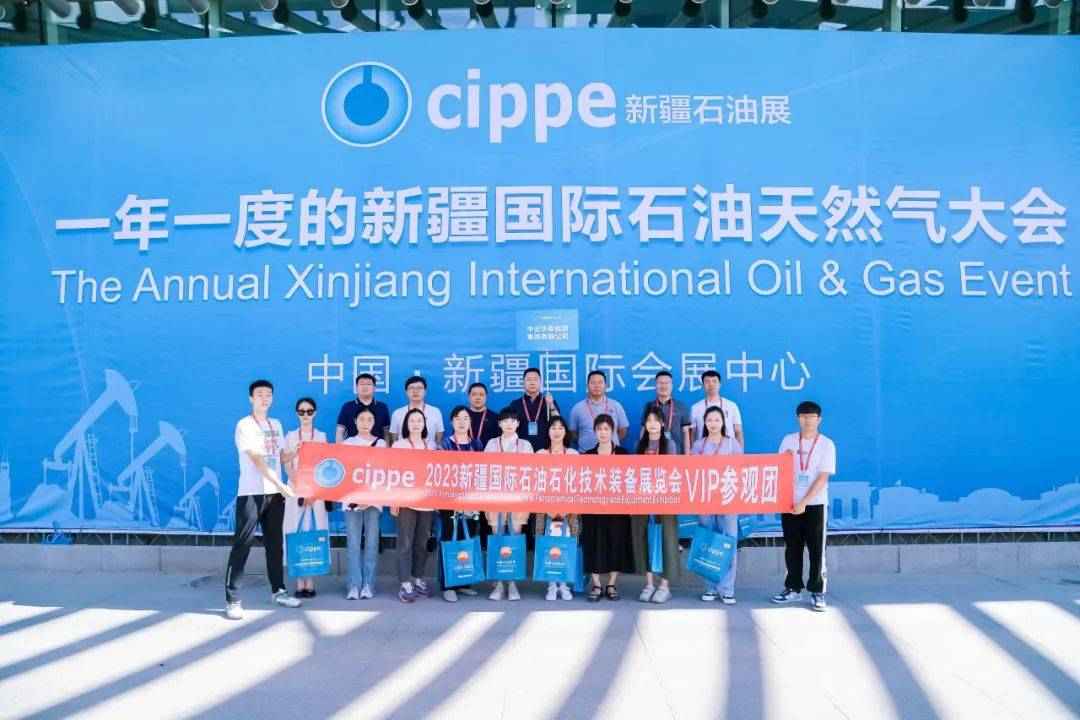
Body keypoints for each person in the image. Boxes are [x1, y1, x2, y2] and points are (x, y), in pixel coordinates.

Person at [224, 380, 300, 620]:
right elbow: (257, 460)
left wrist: (297, 451)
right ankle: (233, 599)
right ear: (251, 398)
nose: (264, 398)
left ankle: (278, 591)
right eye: (260, 395)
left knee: (275, 544)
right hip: (251, 493)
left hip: (274, 495)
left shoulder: (275, 424)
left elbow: (280, 456)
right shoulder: (244, 425)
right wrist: (280, 484)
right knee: (243, 544)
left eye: (268, 395)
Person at [771, 401, 836, 613]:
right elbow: (779, 469)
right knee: (792, 547)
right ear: (797, 418)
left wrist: (804, 502)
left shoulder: (827, 444)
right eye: (803, 416)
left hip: (815, 504)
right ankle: (793, 588)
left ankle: (817, 591)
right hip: (790, 503)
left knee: (817, 549)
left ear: (819, 419)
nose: (807, 420)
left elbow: (823, 477)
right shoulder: (788, 440)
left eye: (812, 417)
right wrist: (786, 459)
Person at [580, 414, 634, 602]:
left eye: (606, 429)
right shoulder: (588, 456)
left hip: (617, 509)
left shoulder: (623, 454)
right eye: (599, 429)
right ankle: (596, 584)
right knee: (593, 543)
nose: (603, 433)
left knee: (616, 543)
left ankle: (611, 584)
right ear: (594, 432)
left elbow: (630, 480)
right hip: (593, 510)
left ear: (612, 431)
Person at [691, 406, 743, 604]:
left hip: (728, 499)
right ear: (704, 423)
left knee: (728, 542)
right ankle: (710, 587)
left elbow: (741, 469)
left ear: (723, 422)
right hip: (705, 500)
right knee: (707, 541)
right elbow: (692, 472)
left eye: (717, 420)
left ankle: (727, 588)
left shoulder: (732, 444)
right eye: (709, 420)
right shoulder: (699, 445)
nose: (713, 424)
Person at [483, 407, 533, 601]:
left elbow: (531, 472)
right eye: (505, 420)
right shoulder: (491, 444)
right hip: (495, 499)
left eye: (513, 420)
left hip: (518, 500)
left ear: (518, 424)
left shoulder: (525, 445)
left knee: (514, 540)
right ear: (499, 424)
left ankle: (512, 583)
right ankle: (498, 584)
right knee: (497, 540)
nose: (509, 424)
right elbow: (485, 470)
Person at [632, 408, 681, 604]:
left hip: (664, 500)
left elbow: (673, 471)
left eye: (656, 420)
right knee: (644, 539)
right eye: (648, 420)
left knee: (666, 539)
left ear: (662, 423)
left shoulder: (669, 444)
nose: (652, 424)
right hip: (643, 499)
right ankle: (649, 584)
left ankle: (664, 586)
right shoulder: (639, 445)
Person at [390, 408, 438, 603]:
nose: (416, 424)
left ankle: (418, 577)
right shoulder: (399, 445)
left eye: (419, 420)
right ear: (406, 424)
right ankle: (405, 583)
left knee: (421, 543)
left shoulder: (432, 446)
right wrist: (394, 500)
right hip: (405, 501)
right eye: (412, 420)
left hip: (427, 502)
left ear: (425, 424)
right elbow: (393, 473)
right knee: (405, 543)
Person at [283, 397, 328, 599]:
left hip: (315, 493)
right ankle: (298, 581)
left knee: (313, 532)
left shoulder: (321, 436)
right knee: (296, 532)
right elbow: (286, 464)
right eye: (301, 412)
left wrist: (312, 490)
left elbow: (325, 465)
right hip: (295, 490)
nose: (305, 415)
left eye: (309, 411)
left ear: (315, 413)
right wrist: (300, 486)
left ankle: (310, 581)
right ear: (297, 414)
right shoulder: (291, 436)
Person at [438, 406, 484, 602]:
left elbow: (481, 472)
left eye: (465, 418)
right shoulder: (445, 444)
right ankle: (448, 585)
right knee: (449, 539)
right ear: (452, 422)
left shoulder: (476, 443)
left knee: (468, 538)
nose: (462, 422)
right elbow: (441, 472)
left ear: (470, 422)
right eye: (458, 418)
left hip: (471, 501)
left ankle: (464, 582)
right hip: (450, 501)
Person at [341, 407, 385, 600]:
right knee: (353, 543)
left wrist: (370, 497)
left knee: (371, 543)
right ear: (355, 421)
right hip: (352, 499)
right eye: (362, 419)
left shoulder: (381, 444)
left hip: (374, 500)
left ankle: (368, 584)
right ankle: (353, 585)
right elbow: (344, 471)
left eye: (369, 419)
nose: (365, 423)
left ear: (374, 422)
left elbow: (384, 472)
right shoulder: (347, 443)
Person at [535, 415, 577, 601]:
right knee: (548, 545)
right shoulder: (540, 455)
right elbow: (535, 483)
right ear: (548, 431)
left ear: (565, 432)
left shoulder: (573, 455)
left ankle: (564, 584)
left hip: (569, 510)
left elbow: (578, 483)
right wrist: (547, 508)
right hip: (545, 510)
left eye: (561, 428)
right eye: (553, 427)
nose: (557, 431)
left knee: (566, 545)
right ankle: (551, 584)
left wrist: (566, 508)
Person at [568, 370, 629, 451]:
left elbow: (623, 430)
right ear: (587, 386)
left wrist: (609, 442)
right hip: (585, 453)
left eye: (600, 382)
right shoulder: (577, 408)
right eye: (593, 383)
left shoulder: (616, 405)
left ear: (605, 386)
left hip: (611, 454)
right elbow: (573, 433)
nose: (596, 386)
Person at [505, 367, 561, 451]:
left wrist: (551, 405)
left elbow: (558, 422)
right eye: (529, 380)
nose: (532, 382)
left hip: (545, 448)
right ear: (523, 383)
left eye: (535, 379)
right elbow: (509, 427)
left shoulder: (548, 401)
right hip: (521, 449)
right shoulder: (515, 404)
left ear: (540, 382)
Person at [639, 370, 692, 455]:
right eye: (660, 383)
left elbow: (686, 433)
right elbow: (643, 429)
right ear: (656, 386)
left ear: (672, 386)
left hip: (676, 454)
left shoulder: (681, 407)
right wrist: (640, 450)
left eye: (667, 383)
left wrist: (687, 455)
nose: (663, 386)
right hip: (652, 453)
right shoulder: (649, 406)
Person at [689, 370, 744, 450]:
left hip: (728, 451)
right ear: (703, 385)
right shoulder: (695, 408)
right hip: (703, 451)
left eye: (714, 381)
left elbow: (738, 432)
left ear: (720, 384)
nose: (711, 384)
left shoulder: (732, 406)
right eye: (707, 382)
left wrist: (740, 453)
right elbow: (692, 434)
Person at [336, 373, 391, 444]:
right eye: (362, 384)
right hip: (352, 447)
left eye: (368, 384)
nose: (365, 387)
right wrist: (340, 448)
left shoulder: (382, 407)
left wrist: (387, 448)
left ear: (374, 388)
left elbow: (386, 432)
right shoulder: (347, 406)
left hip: (377, 447)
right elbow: (340, 431)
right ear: (356, 387)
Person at [389, 375, 444, 445]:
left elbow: (439, 438)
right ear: (406, 392)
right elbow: (394, 439)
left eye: (419, 388)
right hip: (403, 450)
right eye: (411, 388)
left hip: (429, 450)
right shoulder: (397, 413)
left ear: (425, 391)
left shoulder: (435, 412)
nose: (415, 391)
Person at [465, 382, 501, 447]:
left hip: (489, 452)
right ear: (468, 397)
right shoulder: (461, 416)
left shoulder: (495, 417)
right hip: (464, 452)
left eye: (481, 395)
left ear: (486, 397)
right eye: (474, 394)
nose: (478, 397)